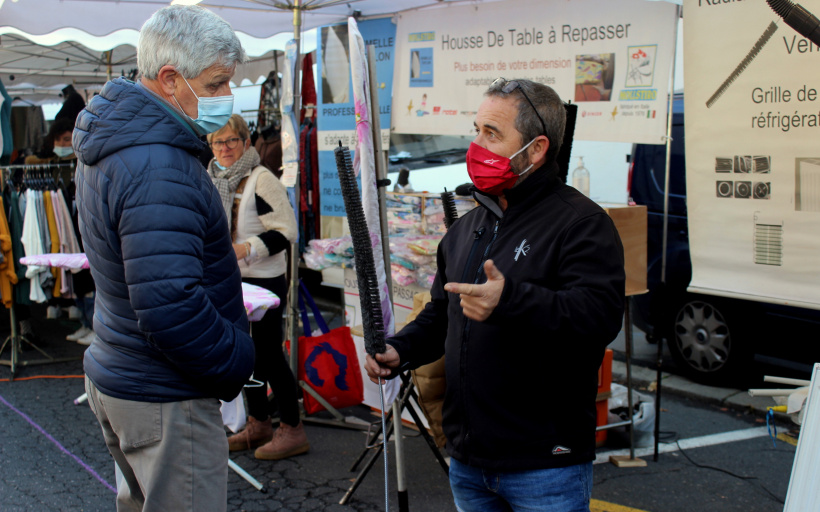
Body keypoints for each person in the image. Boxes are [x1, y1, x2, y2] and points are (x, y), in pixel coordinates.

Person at [365, 78, 626, 512]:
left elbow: (598, 317)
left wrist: (510, 300)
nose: (476, 145)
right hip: (469, 461)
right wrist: (400, 349)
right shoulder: (468, 227)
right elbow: (444, 311)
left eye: (492, 133)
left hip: (545, 465)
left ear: (536, 149)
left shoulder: (581, 223)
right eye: (476, 129)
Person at [73, 6, 255, 512]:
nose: (225, 98)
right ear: (171, 80)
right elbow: (169, 304)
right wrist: (235, 361)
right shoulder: (158, 162)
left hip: (125, 371)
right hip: (163, 392)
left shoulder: (119, 140)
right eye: (216, 84)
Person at [205, 114, 308, 460]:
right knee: (243, 354)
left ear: (246, 143)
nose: (224, 148)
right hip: (233, 281)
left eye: (231, 141)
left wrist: (247, 248)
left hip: (264, 282)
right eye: (217, 142)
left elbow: (285, 231)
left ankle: (292, 429)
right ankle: (259, 422)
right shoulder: (215, 178)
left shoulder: (261, 179)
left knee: (268, 354)